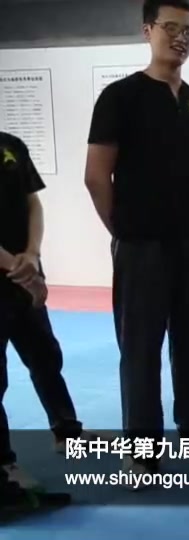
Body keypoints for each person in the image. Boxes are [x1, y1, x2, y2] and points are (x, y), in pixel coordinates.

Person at [85, 0, 189, 478]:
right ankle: (142, 451)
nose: (181, 38)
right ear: (148, 31)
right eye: (171, 28)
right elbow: (96, 176)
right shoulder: (120, 97)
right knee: (141, 350)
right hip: (141, 247)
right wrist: (124, 231)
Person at [0, 131, 85, 489]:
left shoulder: (10, 145)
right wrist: (18, 268)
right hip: (17, 273)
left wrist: (32, 255)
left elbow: (32, 201)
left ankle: (67, 431)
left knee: (45, 354)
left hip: (25, 271)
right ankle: (4, 463)